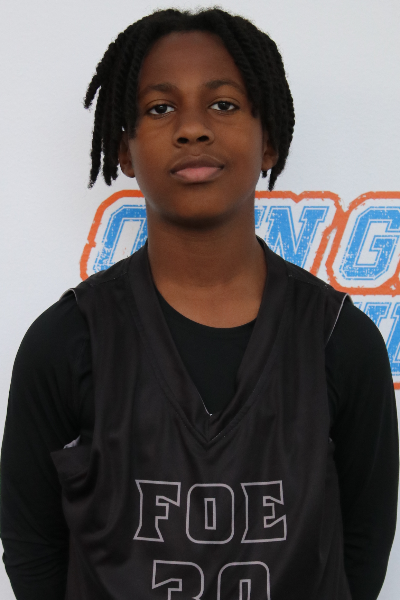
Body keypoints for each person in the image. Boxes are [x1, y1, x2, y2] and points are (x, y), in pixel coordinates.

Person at [1, 8, 398, 600]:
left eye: (224, 104)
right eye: (161, 108)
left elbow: (362, 547)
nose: (192, 128)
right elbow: (32, 543)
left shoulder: (340, 339)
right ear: (126, 150)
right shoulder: (67, 341)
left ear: (269, 142)